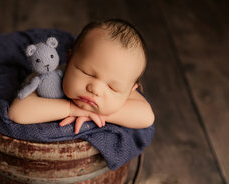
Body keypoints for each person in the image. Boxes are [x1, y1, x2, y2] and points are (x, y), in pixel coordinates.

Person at [8, 19, 155, 134]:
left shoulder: (124, 86)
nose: (95, 88)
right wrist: (71, 108)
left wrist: (96, 114)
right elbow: (18, 112)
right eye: (87, 72)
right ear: (69, 59)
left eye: (112, 87)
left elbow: (147, 117)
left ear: (130, 90)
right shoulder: (50, 78)